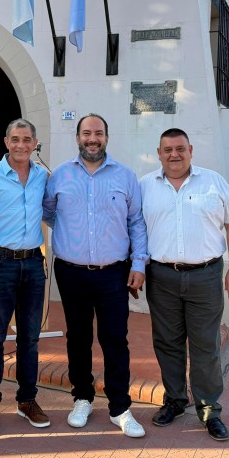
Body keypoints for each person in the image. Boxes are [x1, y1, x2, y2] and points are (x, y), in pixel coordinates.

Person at [42, 113, 149, 438]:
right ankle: (82, 397)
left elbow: (137, 223)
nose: (93, 138)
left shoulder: (125, 176)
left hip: (113, 273)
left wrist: (138, 264)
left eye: (98, 133)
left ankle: (120, 407)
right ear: (78, 138)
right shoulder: (59, 175)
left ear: (106, 137)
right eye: (86, 133)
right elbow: (48, 214)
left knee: (115, 339)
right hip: (71, 273)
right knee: (78, 337)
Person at [139, 128, 229, 442]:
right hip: (162, 276)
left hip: (206, 275)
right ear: (158, 153)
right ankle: (174, 400)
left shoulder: (213, 181)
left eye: (180, 149)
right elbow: (134, 230)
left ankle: (209, 408)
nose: (174, 154)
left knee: (206, 345)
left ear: (191, 150)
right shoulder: (145, 186)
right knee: (168, 342)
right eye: (167, 149)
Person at [0, 118, 50, 434]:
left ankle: (27, 400)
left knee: (30, 338)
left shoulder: (43, 177)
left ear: (34, 144)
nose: (21, 145)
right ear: (6, 142)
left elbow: (56, 212)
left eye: (27, 139)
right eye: (15, 139)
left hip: (33, 265)